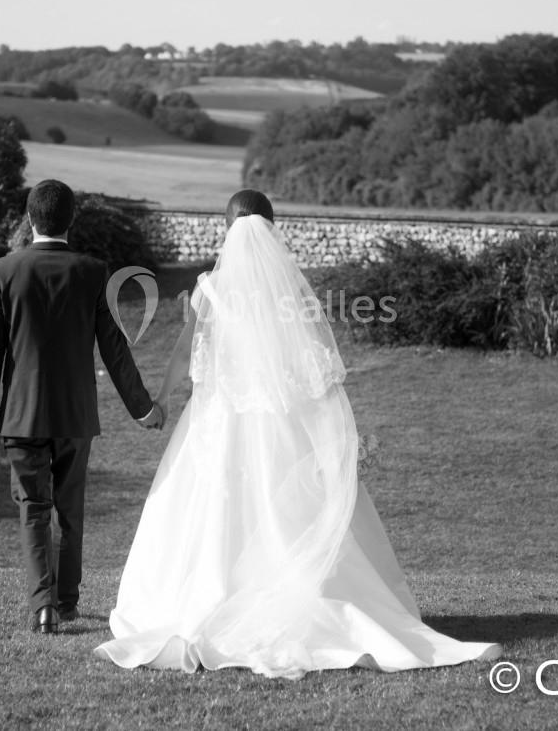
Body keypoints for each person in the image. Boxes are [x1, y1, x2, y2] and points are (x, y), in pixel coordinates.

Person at [94, 189, 499, 678]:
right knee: (286, 510)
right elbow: (315, 371)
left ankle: (208, 601)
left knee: (215, 508)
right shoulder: (292, 293)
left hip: (218, 419)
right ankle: (304, 601)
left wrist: (160, 398)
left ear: (227, 231)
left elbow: (184, 354)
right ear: (272, 229)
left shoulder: (209, 289)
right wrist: (334, 436)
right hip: (280, 423)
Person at [0, 179, 164, 636]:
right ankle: (68, 602)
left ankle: (43, 607)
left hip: (20, 415)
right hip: (76, 416)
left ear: (29, 218)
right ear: (71, 219)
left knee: (33, 509)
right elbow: (113, 347)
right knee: (70, 510)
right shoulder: (92, 271)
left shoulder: (3, 271)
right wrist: (142, 408)